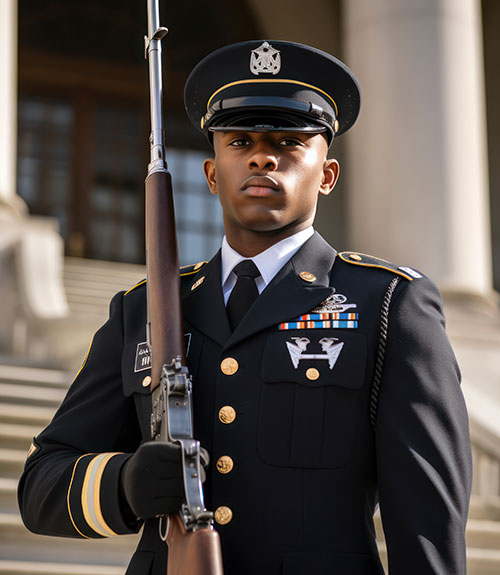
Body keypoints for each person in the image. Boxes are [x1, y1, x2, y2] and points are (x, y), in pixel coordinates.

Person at [18, 40, 472, 575]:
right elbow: (42, 482)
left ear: (326, 176)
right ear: (211, 175)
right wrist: (123, 482)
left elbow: (426, 525)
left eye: (288, 142)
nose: (262, 156)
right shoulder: (144, 310)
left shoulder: (388, 304)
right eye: (241, 141)